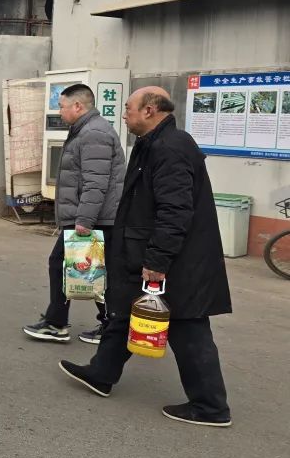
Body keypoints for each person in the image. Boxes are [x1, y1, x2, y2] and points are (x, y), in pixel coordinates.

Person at [59, 87, 233, 427]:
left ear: (150, 110)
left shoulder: (171, 148)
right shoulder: (152, 143)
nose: (124, 115)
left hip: (176, 261)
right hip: (147, 251)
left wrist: (157, 260)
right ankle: (101, 373)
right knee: (125, 312)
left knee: (188, 327)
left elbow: (174, 211)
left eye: (129, 108)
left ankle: (210, 406)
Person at [24, 84, 125, 345]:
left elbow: (96, 182)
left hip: (92, 217)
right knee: (91, 269)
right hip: (90, 215)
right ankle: (104, 324)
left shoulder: (93, 133)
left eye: (62, 106)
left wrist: (84, 220)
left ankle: (60, 323)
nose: (60, 112)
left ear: (78, 106)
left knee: (68, 264)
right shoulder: (86, 130)